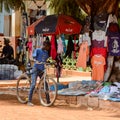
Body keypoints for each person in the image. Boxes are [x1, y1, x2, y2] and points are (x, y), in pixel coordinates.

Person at [27, 40, 51, 106]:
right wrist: (36, 60)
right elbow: (32, 57)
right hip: (36, 69)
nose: (49, 48)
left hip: (42, 70)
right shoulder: (37, 50)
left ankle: (48, 100)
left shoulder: (46, 52)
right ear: (45, 45)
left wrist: (50, 62)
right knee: (33, 84)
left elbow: (46, 60)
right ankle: (29, 101)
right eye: (48, 47)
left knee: (45, 84)